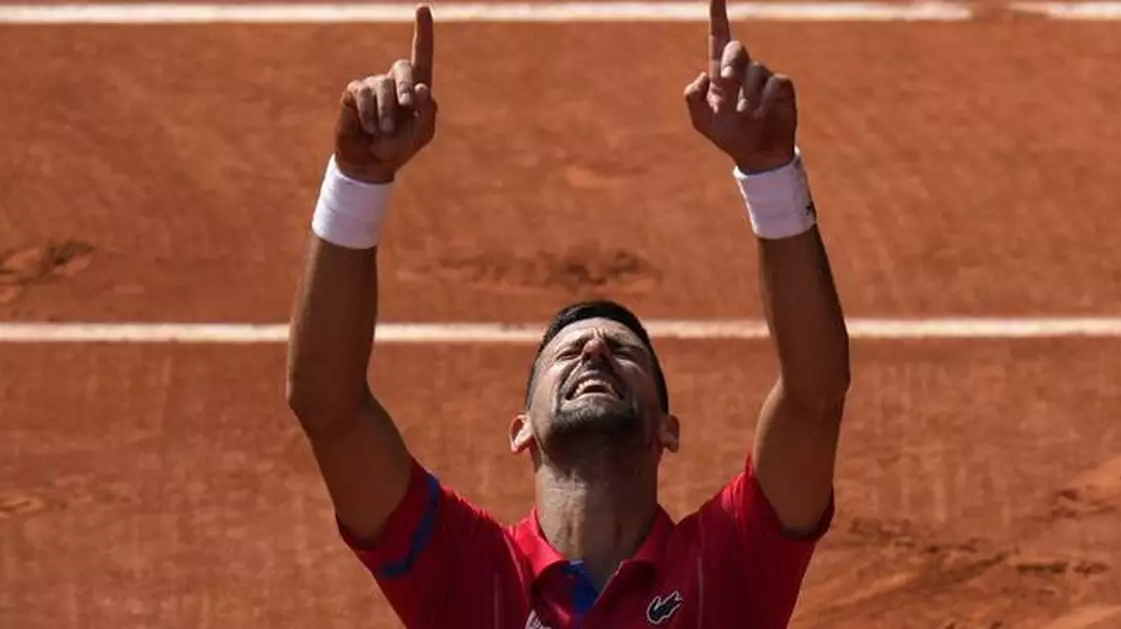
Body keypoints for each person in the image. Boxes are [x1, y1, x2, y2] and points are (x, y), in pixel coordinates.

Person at [286, 0, 851, 626]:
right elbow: (327, 402)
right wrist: (356, 179)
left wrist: (771, 174)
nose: (594, 350)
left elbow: (815, 394)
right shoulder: (467, 568)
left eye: (624, 351)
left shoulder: (731, 558)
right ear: (521, 429)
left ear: (668, 428)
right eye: (567, 351)